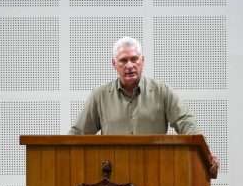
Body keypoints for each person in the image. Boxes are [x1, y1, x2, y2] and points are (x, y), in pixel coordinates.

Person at [69, 36, 219, 175]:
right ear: (114, 64)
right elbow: (78, 133)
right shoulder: (100, 96)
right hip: (113, 181)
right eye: (123, 60)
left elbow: (186, 122)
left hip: (155, 175)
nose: (129, 65)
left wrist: (205, 152)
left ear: (142, 61)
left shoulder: (162, 91)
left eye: (134, 59)